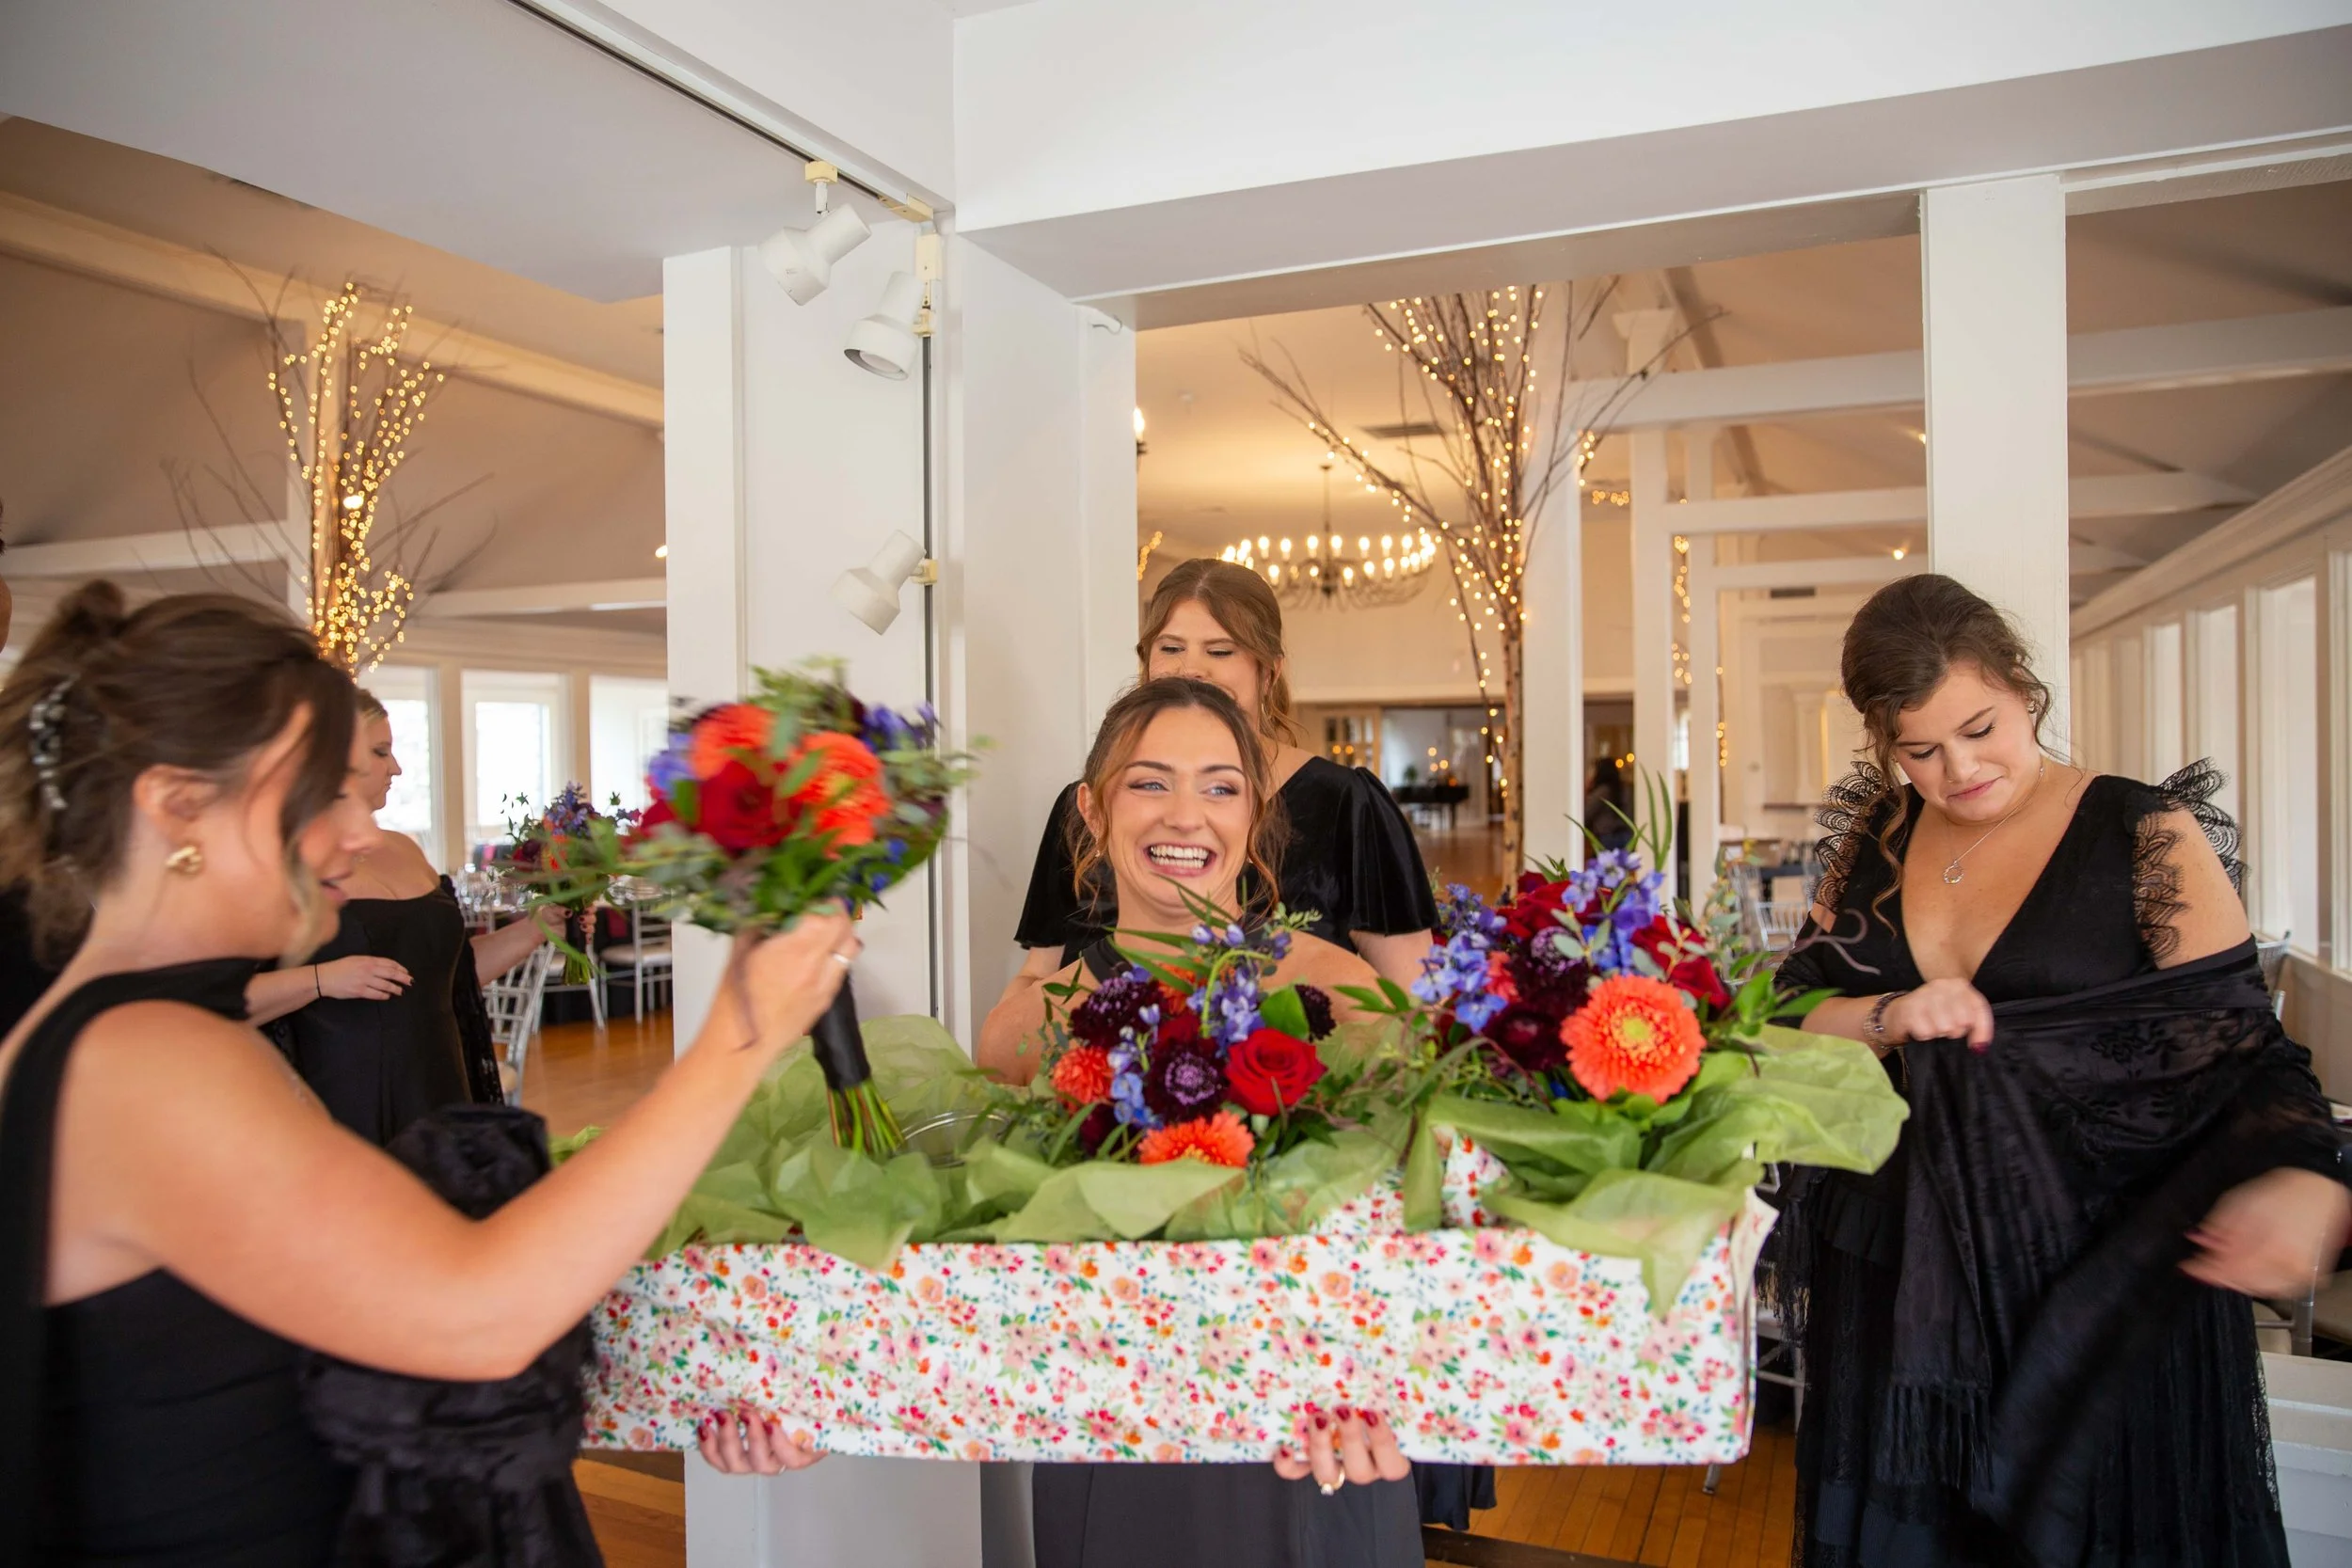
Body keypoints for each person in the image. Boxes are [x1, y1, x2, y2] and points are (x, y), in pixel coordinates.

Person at [0, 583, 846, 1560]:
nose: (359, 832)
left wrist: (686, 1382)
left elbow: (369, 1337)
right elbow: (476, 1315)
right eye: (320, 794)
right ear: (178, 805)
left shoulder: (124, 1034)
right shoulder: (142, 1059)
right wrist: (740, 1037)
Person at [1774, 573, 2349, 1566]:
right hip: (1898, 1274)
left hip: (2092, 1280)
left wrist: (2306, 1180)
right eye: (1919, 749)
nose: (1957, 769)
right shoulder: (1871, 839)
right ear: (1883, 743)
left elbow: (2246, 1050)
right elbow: (1787, 1017)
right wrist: (1890, 1012)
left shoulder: (2143, 835)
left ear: (2022, 687)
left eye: (1979, 726)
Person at [976, 675, 1417, 1568]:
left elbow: (1416, 1213)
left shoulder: (1342, 991)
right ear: (1093, 815)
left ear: (1255, 823)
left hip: (1318, 1428)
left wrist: (1382, 1380)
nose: (1186, 815)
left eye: (1221, 786)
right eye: (1149, 782)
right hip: (1120, 1435)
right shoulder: (1029, 1030)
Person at [1008, 560, 1437, 999]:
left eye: (1220, 651)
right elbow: (1038, 972)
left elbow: (1414, 993)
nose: (1192, 670)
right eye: (1171, 648)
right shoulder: (1093, 804)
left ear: (1268, 672)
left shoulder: (1346, 802)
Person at [247, 689, 558, 1141]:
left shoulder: (406, 849)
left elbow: (453, 978)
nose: (396, 768)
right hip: (342, 1096)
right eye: (379, 752)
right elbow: (223, 1000)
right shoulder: (276, 861)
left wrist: (537, 929)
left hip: (440, 1083)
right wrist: (322, 979)